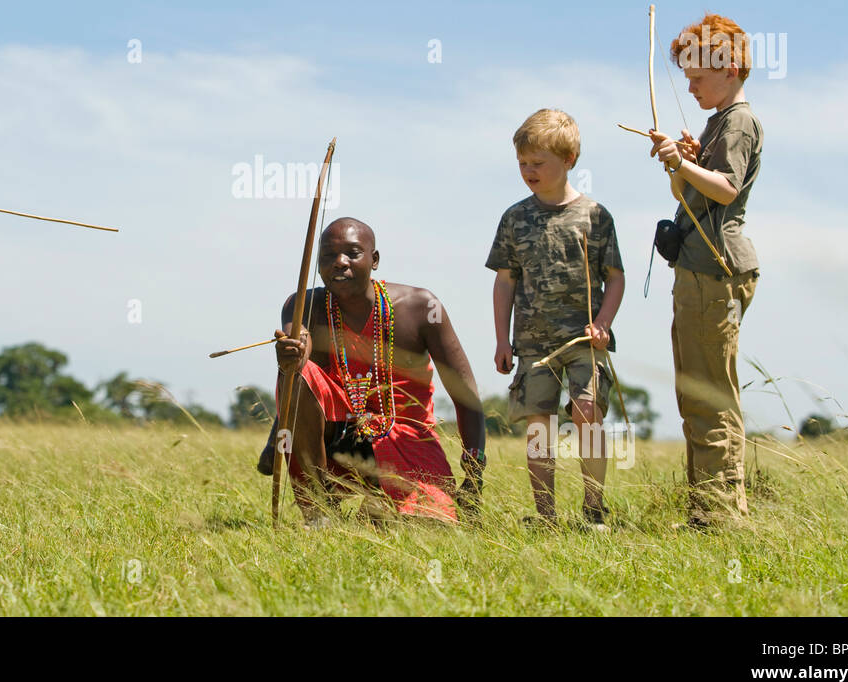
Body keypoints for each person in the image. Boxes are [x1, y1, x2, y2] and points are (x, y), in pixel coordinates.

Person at [257, 218, 486, 525]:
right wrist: (293, 354)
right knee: (297, 374)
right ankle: (319, 512)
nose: (339, 262)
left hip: (404, 437)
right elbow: (300, 347)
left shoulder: (421, 307)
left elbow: (465, 394)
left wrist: (474, 475)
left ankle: (380, 508)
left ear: (374, 260)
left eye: (352, 253)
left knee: (429, 525)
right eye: (328, 256)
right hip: (336, 439)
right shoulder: (304, 305)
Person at [486, 109, 625, 530]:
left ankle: (594, 510)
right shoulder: (515, 217)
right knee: (538, 428)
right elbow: (505, 283)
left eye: (538, 163)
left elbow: (616, 279)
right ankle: (545, 517)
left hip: (585, 341)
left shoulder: (595, 216)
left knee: (588, 413)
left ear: (569, 160)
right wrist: (501, 340)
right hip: (532, 342)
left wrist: (603, 322)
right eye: (523, 164)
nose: (529, 171)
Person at [651, 14, 762, 529]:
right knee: (697, 389)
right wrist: (683, 163)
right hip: (700, 267)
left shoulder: (737, 120)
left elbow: (725, 191)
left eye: (697, 76)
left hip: (714, 271)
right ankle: (713, 510)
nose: (690, 86)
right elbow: (691, 193)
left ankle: (717, 515)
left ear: (731, 69)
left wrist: (683, 161)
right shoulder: (718, 123)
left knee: (709, 392)